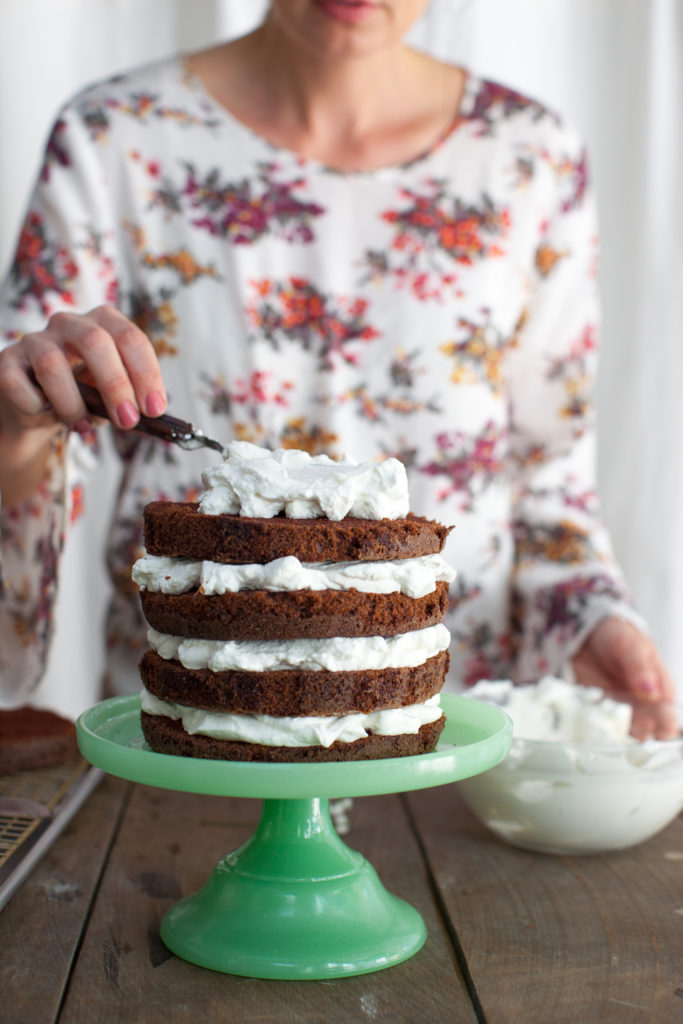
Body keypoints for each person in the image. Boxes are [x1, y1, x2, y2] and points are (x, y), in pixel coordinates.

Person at [0, 0, 676, 733]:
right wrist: (15, 429)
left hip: (443, 741)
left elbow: (547, 483)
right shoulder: (113, 137)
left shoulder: (528, 158)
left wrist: (589, 622)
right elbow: (30, 448)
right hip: (204, 738)